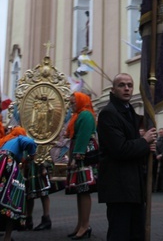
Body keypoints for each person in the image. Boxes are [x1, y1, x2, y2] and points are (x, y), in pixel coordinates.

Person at [97, 73, 156, 241]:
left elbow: (134, 143)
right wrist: (144, 142)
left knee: (137, 232)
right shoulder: (108, 113)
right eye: (122, 85)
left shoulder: (129, 111)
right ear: (113, 89)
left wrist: (147, 146)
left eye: (129, 85)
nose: (127, 88)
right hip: (119, 186)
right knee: (120, 233)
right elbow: (120, 149)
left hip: (134, 186)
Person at [65, 92, 98, 240]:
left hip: (84, 154)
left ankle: (85, 225)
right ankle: (80, 224)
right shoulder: (79, 115)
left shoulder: (85, 115)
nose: (71, 105)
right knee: (80, 190)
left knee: (84, 189)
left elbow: (84, 136)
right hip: (79, 152)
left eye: (73, 103)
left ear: (80, 101)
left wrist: (76, 156)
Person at [0, 126, 37, 241]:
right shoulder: (19, 138)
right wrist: (32, 153)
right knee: (14, 198)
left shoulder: (6, 140)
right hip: (9, 165)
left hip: (3, 164)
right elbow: (29, 141)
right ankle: (7, 236)